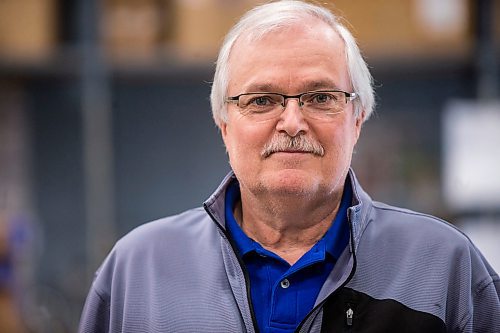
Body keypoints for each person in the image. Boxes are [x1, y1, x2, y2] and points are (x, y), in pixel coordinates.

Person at [79, 1, 500, 332]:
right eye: (261, 100)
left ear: (357, 119)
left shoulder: (444, 267)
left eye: (321, 97)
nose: (293, 122)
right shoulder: (138, 271)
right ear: (224, 125)